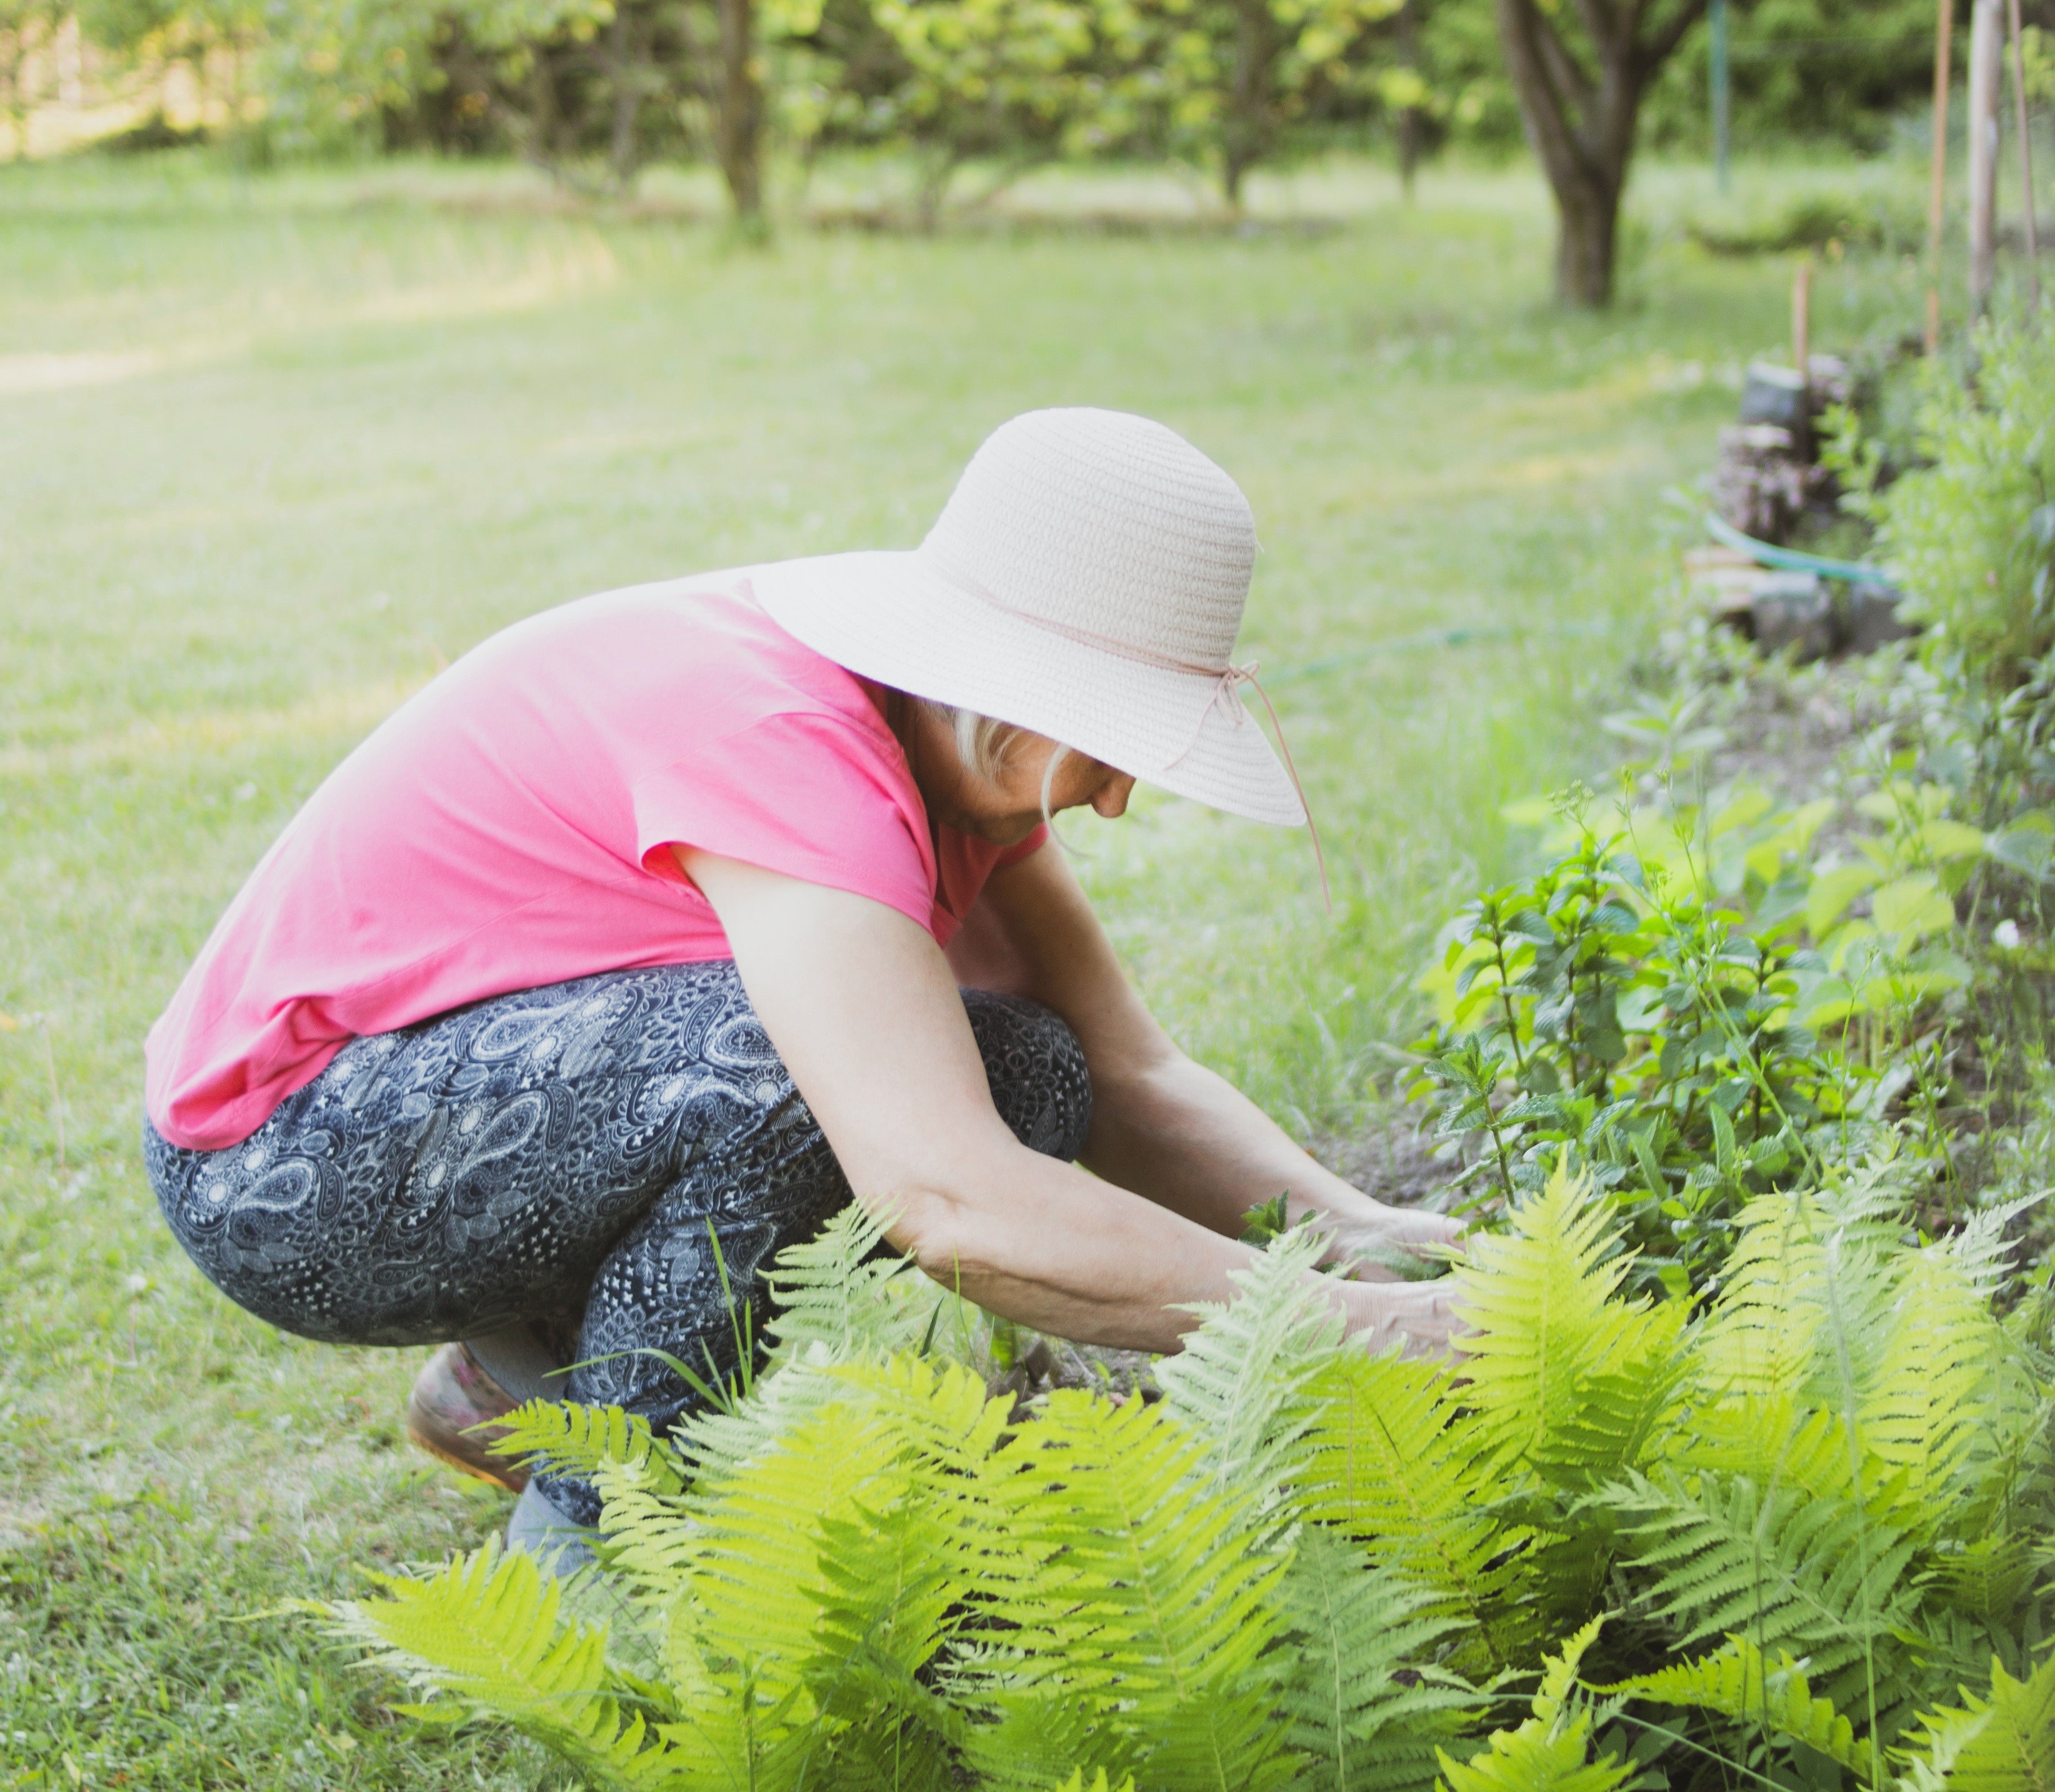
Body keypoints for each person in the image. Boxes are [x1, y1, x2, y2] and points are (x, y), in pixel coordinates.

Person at [141, 407, 1464, 1551]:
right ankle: (606, 1549)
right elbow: (947, 1195)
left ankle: (515, 1383)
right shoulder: (788, 747)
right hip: (279, 1159)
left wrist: (1401, 1248)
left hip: (454, 1104)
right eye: (1113, 741)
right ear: (1003, 685)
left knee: (1028, 1067)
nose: (1117, 799)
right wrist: (1363, 1328)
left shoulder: (950, 755)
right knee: (800, 1087)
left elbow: (1133, 1075)